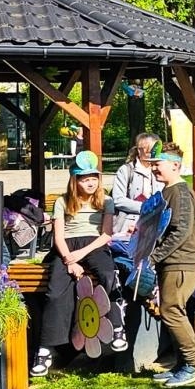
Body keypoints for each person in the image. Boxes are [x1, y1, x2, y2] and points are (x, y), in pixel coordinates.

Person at [31, 151, 122, 377]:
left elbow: (106, 234)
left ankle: (117, 327)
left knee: (108, 274)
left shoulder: (106, 201)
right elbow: (58, 236)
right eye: (85, 179)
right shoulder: (62, 202)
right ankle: (46, 349)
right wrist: (68, 260)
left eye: (94, 178)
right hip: (67, 247)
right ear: (75, 181)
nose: (90, 183)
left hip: (94, 244)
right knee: (55, 291)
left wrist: (81, 253)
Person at [148, 144, 195, 388]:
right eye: (152, 164)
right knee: (172, 310)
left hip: (182, 261)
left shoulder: (180, 193)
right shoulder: (167, 191)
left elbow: (181, 231)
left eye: (157, 164)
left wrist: (155, 256)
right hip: (171, 261)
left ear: (175, 165)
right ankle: (182, 364)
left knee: (171, 310)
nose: (153, 168)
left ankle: (194, 364)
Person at [109, 133, 161, 241]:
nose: (151, 153)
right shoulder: (126, 170)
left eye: (154, 149)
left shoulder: (160, 170)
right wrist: (145, 207)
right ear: (138, 150)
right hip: (128, 225)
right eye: (147, 150)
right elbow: (118, 200)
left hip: (154, 224)